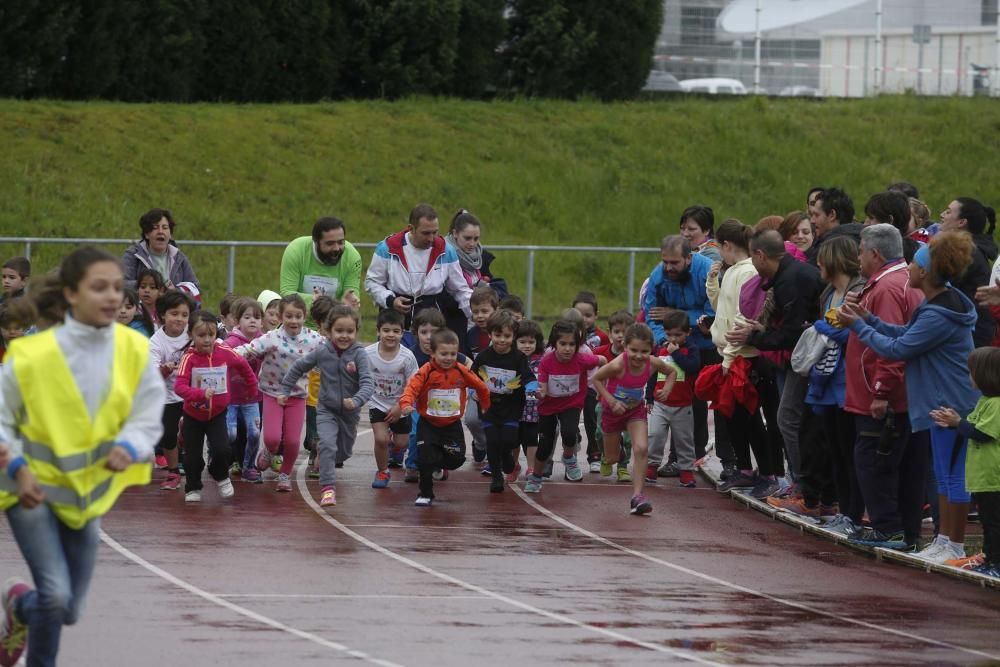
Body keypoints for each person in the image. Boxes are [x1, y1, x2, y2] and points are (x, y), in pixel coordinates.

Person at [0, 246, 165, 667]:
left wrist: (129, 447)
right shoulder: (32, 355)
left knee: (68, 609)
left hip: (85, 491)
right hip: (27, 489)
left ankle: (19, 607)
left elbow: (148, 413)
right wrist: (17, 470)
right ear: (72, 294)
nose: (112, 297)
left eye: (116, 287)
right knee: (55, 597)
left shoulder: (132, 349)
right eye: (99, 288)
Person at [841, 232, 980, 559]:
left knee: (952, 475)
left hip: (952, 403)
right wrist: (869, 319)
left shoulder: (938, 313)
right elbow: (905, 333)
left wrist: (858, 327)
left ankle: (954, 544)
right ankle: (944, 540)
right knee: (945, 473)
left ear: (925, 273)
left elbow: (899, 348)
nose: (909, 269)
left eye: (915, 264)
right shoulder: (938, 304)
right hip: (941, 400)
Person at [838, 224, 925, 549]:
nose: (858, 257)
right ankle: (905, 530)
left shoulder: (887, 287)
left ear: (874, 253)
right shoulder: (900, 281)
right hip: (899, 393)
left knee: (875, 461)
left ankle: (889, 528)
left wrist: (881, 390)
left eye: (861, 250)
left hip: (883, 396)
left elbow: (890, 345)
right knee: (902, 463)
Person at [770, 237, 864, 526]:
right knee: (821, 443)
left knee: (844, 449)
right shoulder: (828, 293)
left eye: (822, 259)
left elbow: (854, 332)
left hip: (844, 380)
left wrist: (825, 328)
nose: (817, 264)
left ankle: (844, 509)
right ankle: (826, 502)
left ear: (834, 260)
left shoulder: (857, 291)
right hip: (822, 379)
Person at [727, 229, 823, 498]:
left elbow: (794, 332)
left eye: (751, 256)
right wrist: (761, 331)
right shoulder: (789, 275)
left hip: (807, 356)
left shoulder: (790, 280)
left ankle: (804, 486)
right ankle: (804, 484)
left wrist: (755, 336)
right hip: (803, 355)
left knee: (787, 419)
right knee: (792, 419)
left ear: (760, 254)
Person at [281, 305, 373, 507]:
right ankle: (328, 489)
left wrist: (356, 400)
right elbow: (299, 367)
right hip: (326, 409)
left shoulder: (359, 355)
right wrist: (285, 389)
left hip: (350, 412)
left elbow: (368, 383)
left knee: (344, 452)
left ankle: (329, 458)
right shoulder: (322, 352)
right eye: (339, 331)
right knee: (327, 446)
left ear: (356, 332)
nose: (344, 336)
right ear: (329, 331)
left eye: (349, 331)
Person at [234, 294, 323, 492]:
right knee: (273, 438)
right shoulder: (271, 338)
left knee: (292, 441)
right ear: (281, 317)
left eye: (298, 316)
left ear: (304, 316)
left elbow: (333, 349)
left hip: (297, 395)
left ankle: (285, 474)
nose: (294, 321)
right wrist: (226, 351)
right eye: (289, 316)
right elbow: (250, 349)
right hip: (272, 393)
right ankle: (268, 451)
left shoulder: (313, 338)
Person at [642, 235, 717, 463]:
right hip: (672, 344)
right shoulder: (659, 275)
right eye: (665, 261)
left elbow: (712, 312)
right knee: (673, 397)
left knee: (699, 398)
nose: (668, 267)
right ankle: (674, 457)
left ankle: (697, 454)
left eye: (674, 262)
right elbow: (651, 313)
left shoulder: (706, 271)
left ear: (689, 258)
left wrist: (677, 317)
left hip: (705, 344)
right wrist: (663, 340)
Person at [400, 329, 491, 506]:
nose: (448, 358)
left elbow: (481, 387)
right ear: (432, 353)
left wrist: (485, 405)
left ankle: (437, 464)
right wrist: (406, 404)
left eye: (452, 354)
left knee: (457, 459)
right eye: (443, 354)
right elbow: (411, 388)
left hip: (451, 425)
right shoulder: (426, 371)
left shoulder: (462, 371)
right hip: (428, 423)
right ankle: (425, 493)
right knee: (424, 458)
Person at [174, 311, 258, 503]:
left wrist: (252, 387)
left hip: (218, 414)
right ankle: (193, 486)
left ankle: (219, 473)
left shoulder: (225, 353)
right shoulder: (189, 359)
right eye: (201, 335)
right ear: (191, 336)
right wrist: (200, 394)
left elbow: (244, 365)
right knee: (192, 456)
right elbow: (179, 387)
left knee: (222, 450)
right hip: (193, 415)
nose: (206, 340)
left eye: (211, 335)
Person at [930, 347, 1000, 577]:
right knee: (987, 522)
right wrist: (953, 422)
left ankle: (995, 563)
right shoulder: (985, 401)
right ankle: (989, 558)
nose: (969, 377)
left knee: (993, 522)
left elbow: (982, 432)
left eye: (971, 372)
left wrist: (957, 422)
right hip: (982, 476)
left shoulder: (996, 404)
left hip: (993, 477)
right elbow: (969, 424)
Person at [591, 323, 674, 515]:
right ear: (625, 347)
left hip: (635, 411)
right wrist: (610, 401)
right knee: (611, 458)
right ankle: (616, 452)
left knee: (641, 448)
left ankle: (637, 496)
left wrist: (667, 389)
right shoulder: (618, 365)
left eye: (644, 351)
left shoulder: (652, 363)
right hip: (612, 412)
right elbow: (596, 379)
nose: (638, 356)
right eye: (633, 350)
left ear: (651, 349)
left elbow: (671, 372)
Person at [707, 219, 761, 488]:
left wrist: (729, 356)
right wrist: (712, 282)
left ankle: (753, 470)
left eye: (720, 248)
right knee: (730, 416)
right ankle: (743, 467)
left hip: (741, 356)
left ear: (727, 245)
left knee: (744, 417)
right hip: (727, 352)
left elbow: (743, 314)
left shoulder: (748, 271)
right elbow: (722, 306)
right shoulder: (732, 271)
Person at [364, 203, 473, 335]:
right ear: (411, 228)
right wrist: (390, 300)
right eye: (426, 233)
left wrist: (476, 315)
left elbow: (460, 290)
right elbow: (372, 282)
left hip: (430, 323)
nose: (431, 238)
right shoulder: (387, 248)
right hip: (394, 319)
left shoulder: (446, 250)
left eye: (435, 232)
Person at [524, 321, 602, 494]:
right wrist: (540, 393)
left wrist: (609, 372)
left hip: (571, 403)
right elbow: (542, 386)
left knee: (569, 432)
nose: (567, 349)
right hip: (548, 406)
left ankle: (569, 458)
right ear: (554, 344)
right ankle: (536, 477)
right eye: (563, 344)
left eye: (572, 344)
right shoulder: (546, 362)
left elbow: (601, 359)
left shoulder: (582, 359)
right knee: (544, 446)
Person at [472, 311, 536, 493]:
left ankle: (508, 456)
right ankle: (497, 478)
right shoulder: (484, 357)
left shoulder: (519, 358)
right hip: (488, 406)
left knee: (509, 439)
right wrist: (472, 392)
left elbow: (528, 376)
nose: (502, 340)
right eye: (497, 335)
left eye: (507, 336)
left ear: (514, 336)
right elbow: (472, 376)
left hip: (512, 406)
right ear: (490, 334)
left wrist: (533, 388)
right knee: (492, 441)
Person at [365, 309, 418, 489]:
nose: (391, 335)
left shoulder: (407, 357)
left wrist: (400, 406)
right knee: (381, 439)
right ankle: (382, 471)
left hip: (400, 404)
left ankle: (395, 451)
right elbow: (358, 374)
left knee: (402, 443)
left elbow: (413, 384)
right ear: (378, 331)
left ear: (402, 333)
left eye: (396, 331)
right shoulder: (367, 353)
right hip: (377, 402)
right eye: (386, 330)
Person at [647, 311, 698, 488]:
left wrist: (676, 354)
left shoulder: (691, 350)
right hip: (660, 404)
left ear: (688, 332)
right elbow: (653, 374)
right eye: (669, 334)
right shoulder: (660, 349)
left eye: (678, 335)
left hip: (682, 405)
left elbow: (693, 368)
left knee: (684, 439)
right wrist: (649, 397)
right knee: (655, 435)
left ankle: (685, 470)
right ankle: (652, 466)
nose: (673, 338)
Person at [149, 291, 194, 491]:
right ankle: (174, 472)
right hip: (168, 396)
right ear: (162, 316)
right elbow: (151, 377)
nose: (180, 319)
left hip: (193, 393)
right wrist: (164, 370)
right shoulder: (156, 342)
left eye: (184, 315)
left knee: (193, 433)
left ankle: (191, 467)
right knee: (168, 434)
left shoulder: (193, 334)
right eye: (174, 314)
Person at [938, 197, 996, 347]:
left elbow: (938, 286)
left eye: (948, 212)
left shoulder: (967, 253)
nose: (942, 215)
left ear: (961, 222)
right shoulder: (970, 249)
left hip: (971, 338)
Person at [279, 217, 363, 311]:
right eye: (330, 243)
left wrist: (348, 306)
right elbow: (287, 294)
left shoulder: (352, 257)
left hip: (334, 321)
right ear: (315, 242)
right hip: (299, 320)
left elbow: (350, 297)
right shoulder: (296, 250)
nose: (336, 248)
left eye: (340, 242)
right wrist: (312, 300)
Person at [442, 209, 502, 337]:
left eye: (476, 239)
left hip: (476, 319)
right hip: (454, 321)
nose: (472, 244)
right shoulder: (444, 256)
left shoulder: (479, 256)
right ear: (455, 233)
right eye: (467, 238)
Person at [223, 297, 264, 483]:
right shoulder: (230, 342)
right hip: (231, 399)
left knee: (254, 433)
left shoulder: (265, 341)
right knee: (230, 434)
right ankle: (224, 459)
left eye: (256, 317)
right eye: (247, 317)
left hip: (252, 398)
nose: (253, 320)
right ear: (237, 321)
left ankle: (249, 466)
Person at [593, 310, 636, 481]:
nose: (621, 336)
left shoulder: (636, 355)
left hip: (628, 404)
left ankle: (623, 466)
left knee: (626, 439)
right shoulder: (600, 352)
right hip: (604, 403)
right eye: (617, 331)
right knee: (599, 433)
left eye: (625, 332)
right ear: (609, 333)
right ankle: (605, 455)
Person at [572, 291, 609, 472]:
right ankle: (574, 438)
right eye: (579, 315)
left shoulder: (602, 337)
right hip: (571, 384)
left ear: (596, 315)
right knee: (569, 417)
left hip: (592, 385)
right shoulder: (567, 335)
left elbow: (608, 359)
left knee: (592, 419)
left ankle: (594, 454)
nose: (584, 319)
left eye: (588, 315)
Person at [122, 208, 199, 290]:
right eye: (155, 228)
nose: (160, 231)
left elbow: (195, 288)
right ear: (146, 234)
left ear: (170, 234)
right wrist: (150, 286)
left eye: (165, 227)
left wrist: (176, 291)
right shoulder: (133, 255)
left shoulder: (179, 258)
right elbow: (121, 283)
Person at [515, 319, 545, 480]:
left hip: (533, 408)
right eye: (522, 342)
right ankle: (514, 465)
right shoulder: (512, 359)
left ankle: (531, 467)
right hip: (514, 407)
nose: (527, 345)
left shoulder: (542, 360)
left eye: (531, 342)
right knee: (514, 439)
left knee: (532, 438)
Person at [807, 187, 862, 265]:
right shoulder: (863, 241)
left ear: (832, 215)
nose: (812, 221)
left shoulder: (828, 250)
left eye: (816, 215)